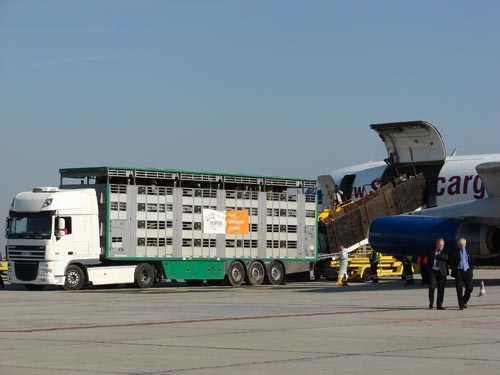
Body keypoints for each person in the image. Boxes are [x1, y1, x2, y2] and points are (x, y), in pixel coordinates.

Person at [450, 238, 474, 310]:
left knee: (469, 288)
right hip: (459, 272)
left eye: (463, 245)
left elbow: (472, 261)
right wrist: (455, 270)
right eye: (460, 245)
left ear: (465, 245)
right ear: (458, 245)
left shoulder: (469, 251)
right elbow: (451, 262)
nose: (462, 246)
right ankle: (461, 305)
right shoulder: (454, 252)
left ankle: (464, 301)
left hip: (467, 271)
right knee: (459, 289)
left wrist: (471, 270)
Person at [428, 238, 449, 310]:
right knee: (432, 288)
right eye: (440, 245)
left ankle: (439, 304)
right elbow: (428, 261)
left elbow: (446, 258)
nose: (441, 246)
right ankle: (431, 303)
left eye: (442, 245)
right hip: (433, 271)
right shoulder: (431, 251)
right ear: (436, 244)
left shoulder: (445, 251)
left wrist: (437, 256)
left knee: (441, 289)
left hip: (442, 272)